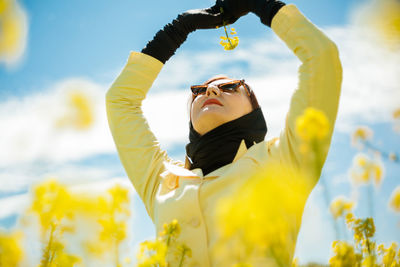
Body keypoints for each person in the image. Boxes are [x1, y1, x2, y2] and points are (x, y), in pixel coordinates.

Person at [106, 0, 342, 266]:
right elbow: (120, 100)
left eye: (230, 86)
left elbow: (322, 58)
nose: (211, 91)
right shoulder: (161, 180)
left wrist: (262, 5)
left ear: (255, 109)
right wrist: (181, 28)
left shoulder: (284, 161)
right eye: (198, 91)